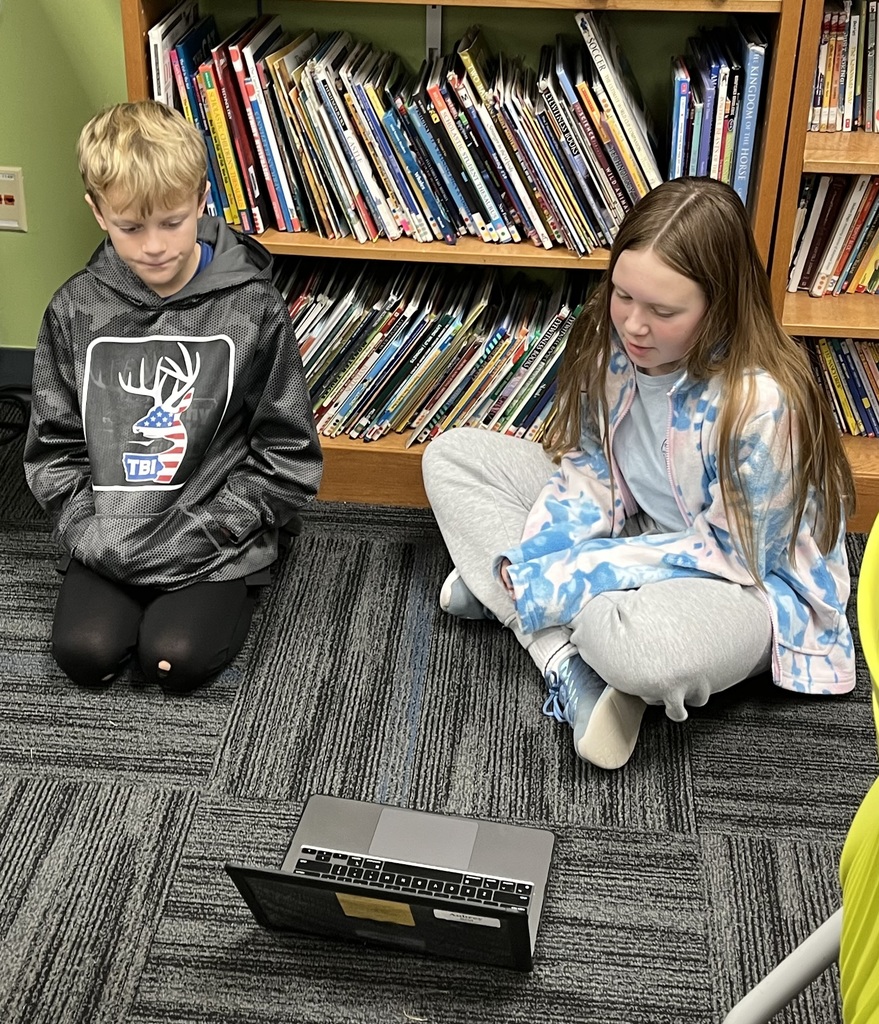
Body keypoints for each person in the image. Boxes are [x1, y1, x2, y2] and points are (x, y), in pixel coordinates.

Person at [422, 176, 856, 770]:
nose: (633, 325)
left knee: (644, 649)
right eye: (623, 295)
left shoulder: (761, 404)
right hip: (637, 530)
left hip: (746, 583)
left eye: (663, 310)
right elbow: (591, 472)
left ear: (719, 304)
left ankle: (510, 593)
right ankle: (565, 665)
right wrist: (547, 553)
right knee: (452, 457)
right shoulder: (617, 345)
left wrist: (567, 572)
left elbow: (739, 557)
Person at [24, 101, 322, 693]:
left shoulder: (253, 308)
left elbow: (289, 455)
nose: (154, 246)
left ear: (202, 199)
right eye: (131, 227)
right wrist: (92, 533)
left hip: (210, 530)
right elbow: (52, 451)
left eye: (173, 221)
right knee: (85, 655)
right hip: (115, 532)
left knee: (174, 661)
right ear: (98, 211)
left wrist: (212, 531)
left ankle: (253, 567)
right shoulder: (73, 310)